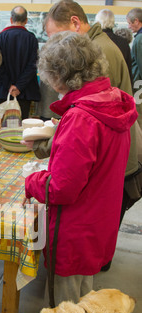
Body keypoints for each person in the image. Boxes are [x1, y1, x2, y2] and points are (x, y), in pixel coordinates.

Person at [23, 32, 137, 306]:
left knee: (66, 307)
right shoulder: (111, 101)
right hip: (98, 219)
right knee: (83, 293)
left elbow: (61, 187)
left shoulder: (81, 117)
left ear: (59, 75)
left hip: (75, 228)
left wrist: (31, 181)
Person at [41, 1, 141, 250]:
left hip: (109, 164)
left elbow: (64, 184)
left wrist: (51, 144)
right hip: (117, 153)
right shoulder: (99, 46)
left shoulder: (97, 50)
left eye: (57, 36)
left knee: (88, 238)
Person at [0, 6, 40, 120]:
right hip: (25, 91)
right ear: (26, 21)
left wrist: (9, 85)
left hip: (4, 91)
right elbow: (33, 66)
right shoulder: (31, 39)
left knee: (3, 124)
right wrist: (19, 86)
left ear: (11, 20)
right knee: (22, 124)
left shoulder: (1, 37)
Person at [95, 9, 132, 87]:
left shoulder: (94, 42)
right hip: (118, 89)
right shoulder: (123, 43)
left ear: (97, 21)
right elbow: (128, 70)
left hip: (99, 88)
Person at [126, 8, 142, 129]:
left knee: (139, 115)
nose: (129, 26)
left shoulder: (139, 39)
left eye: (129, 23)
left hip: (138, 84)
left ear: (136, 21)